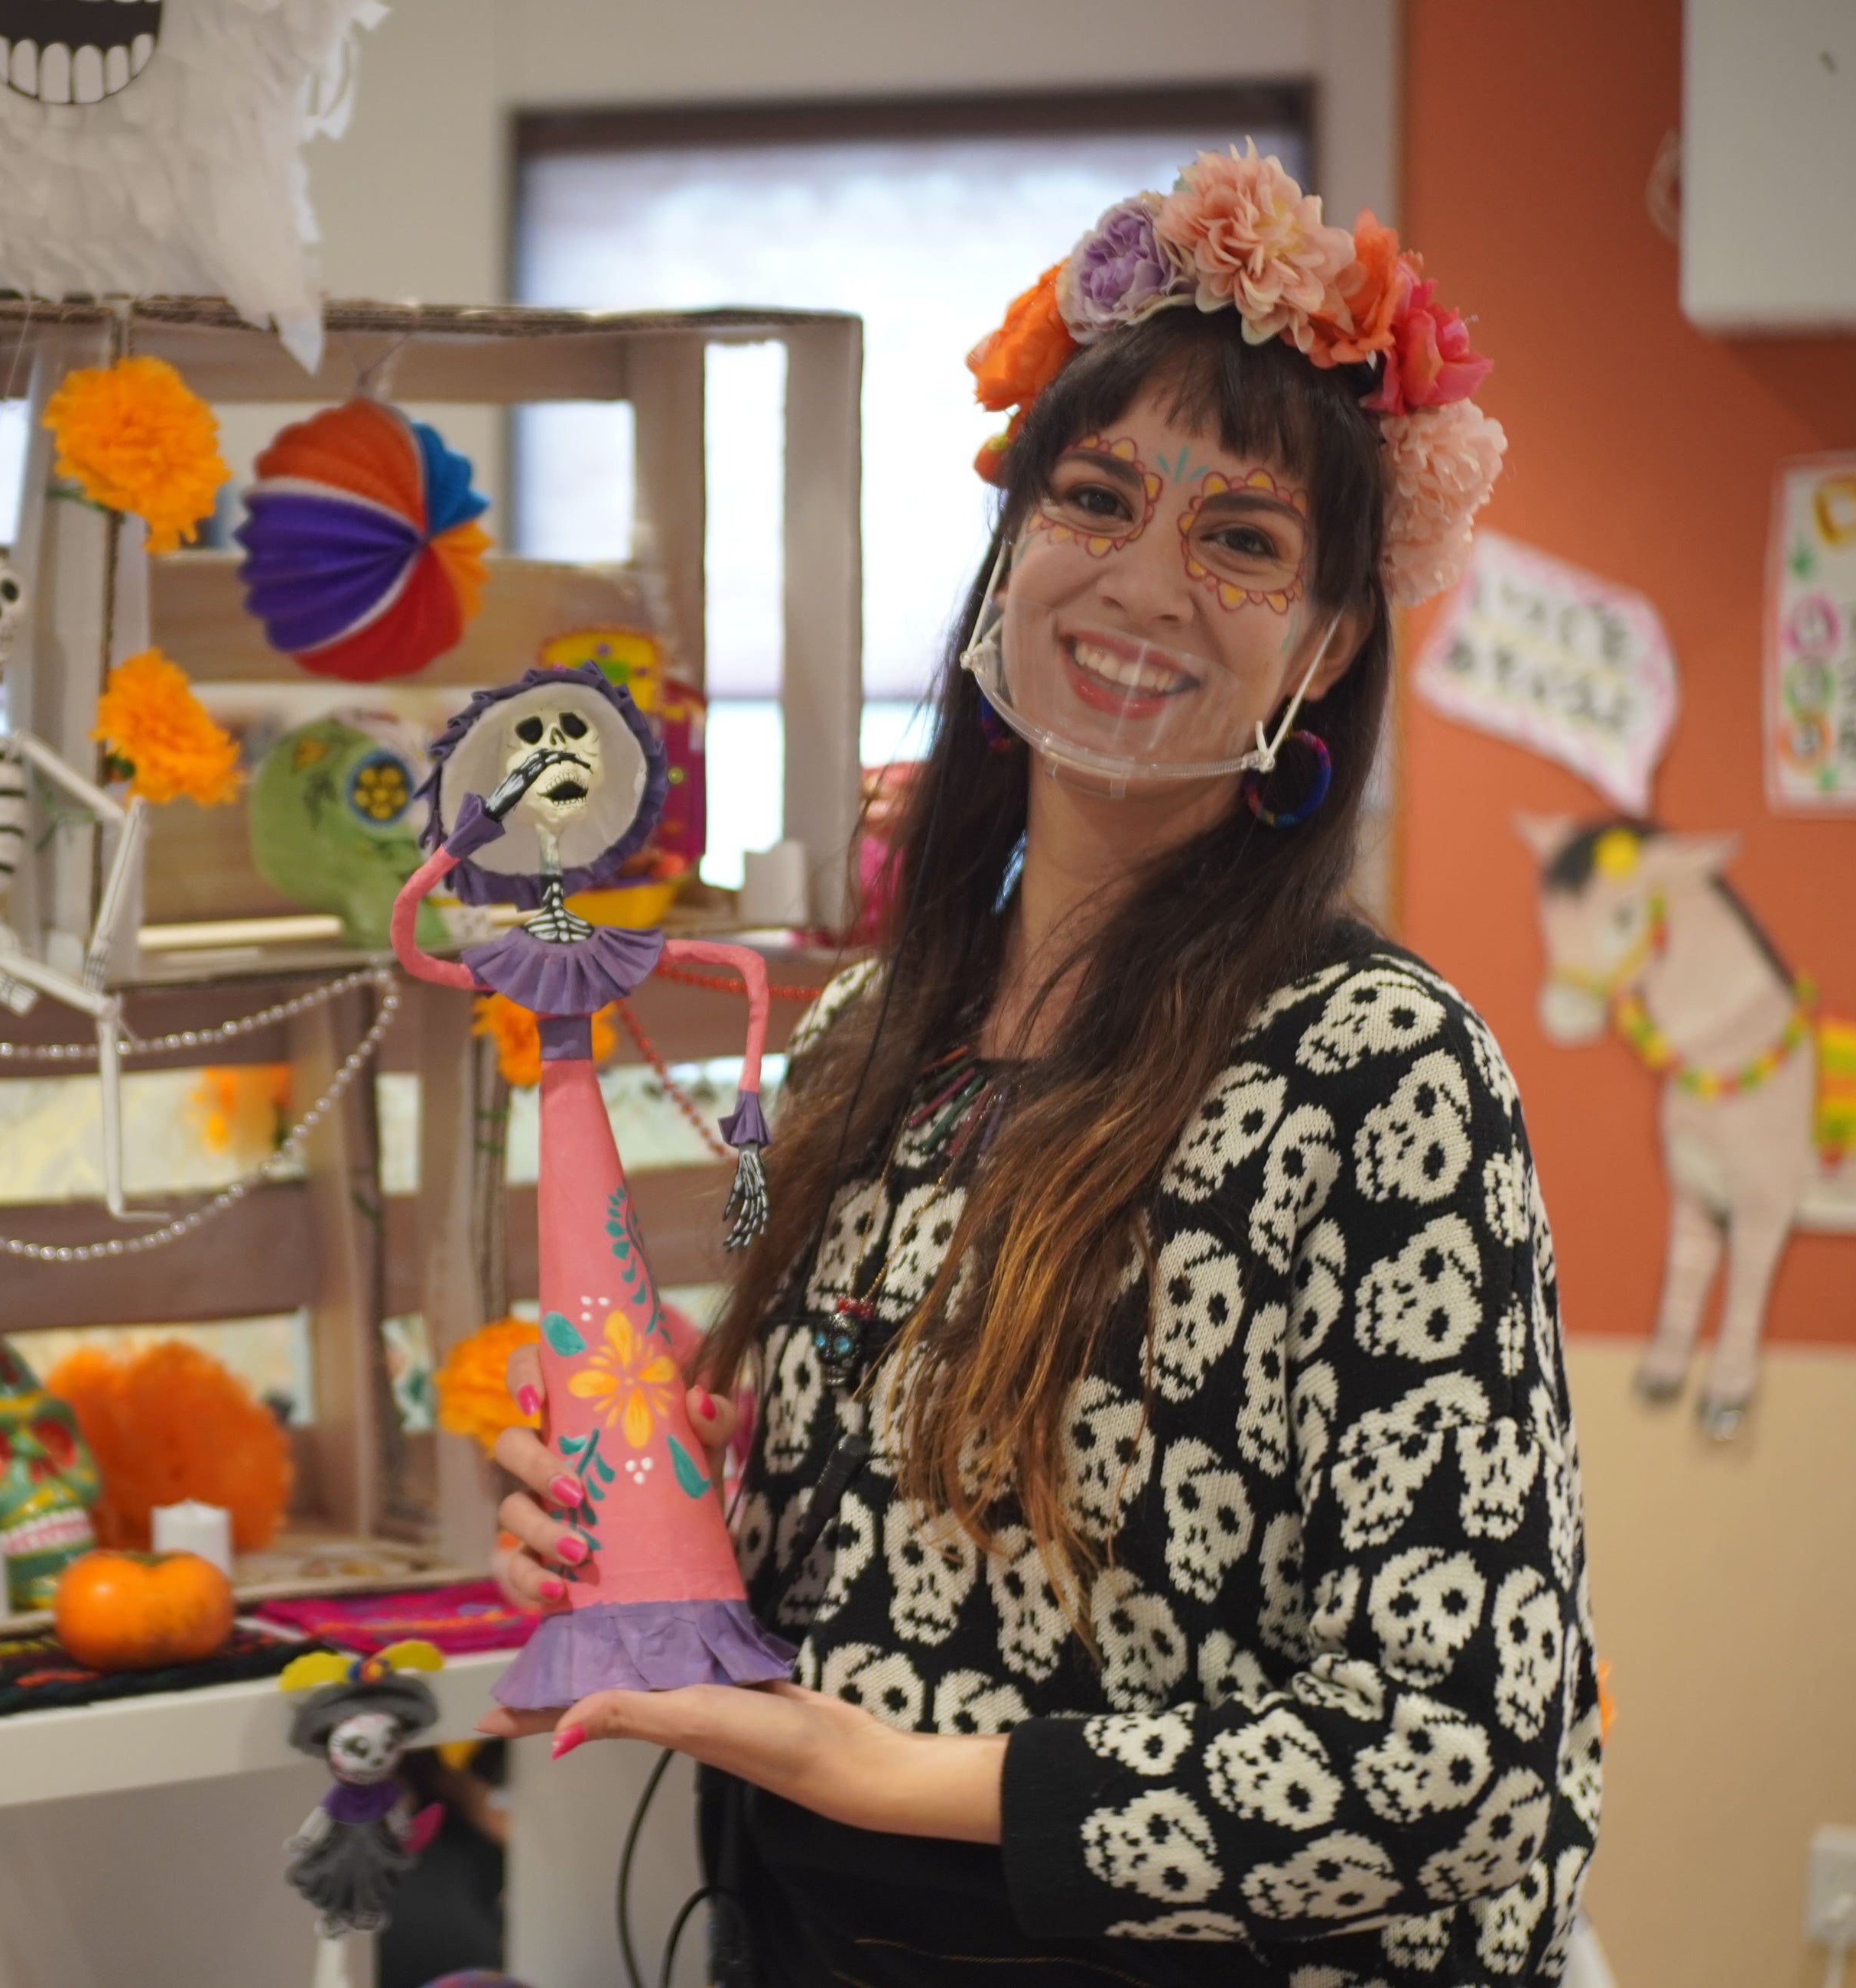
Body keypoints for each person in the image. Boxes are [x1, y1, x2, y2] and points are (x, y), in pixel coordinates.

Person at [477, 148, 1598, 1987]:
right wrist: (642, 1522)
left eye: (1242, 538)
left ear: (1326, 644)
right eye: (1097, 497)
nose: (1147, 581)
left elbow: (1467, 1756)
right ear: (1014, 549)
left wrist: (893, 1775)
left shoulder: (1381, 1072)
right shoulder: (855, 1041)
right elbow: (891, 1565)